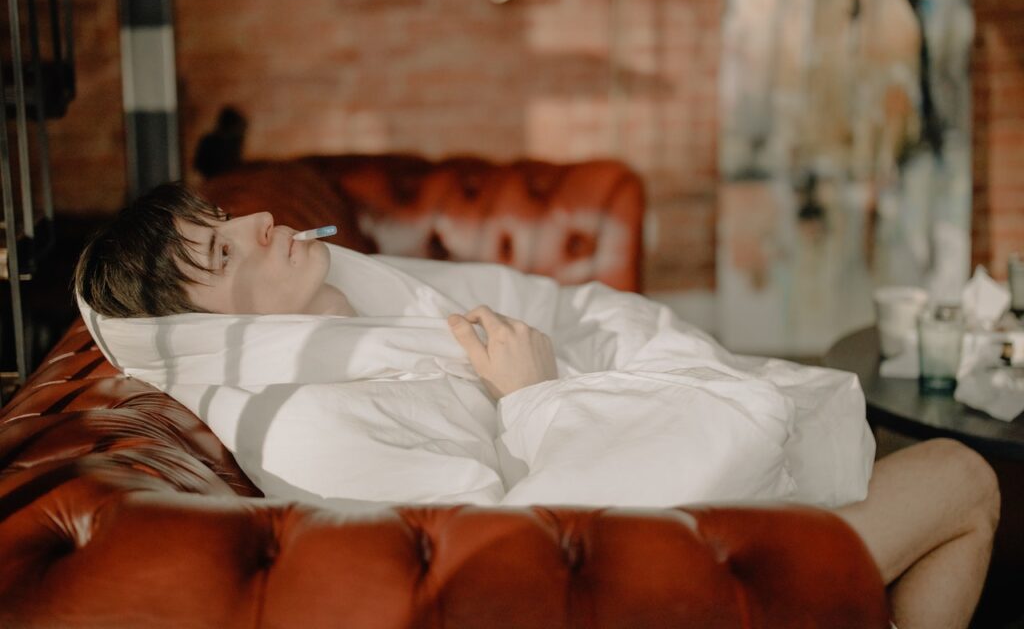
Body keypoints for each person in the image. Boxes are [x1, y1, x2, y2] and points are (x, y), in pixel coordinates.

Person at [75, 182, 999, 629]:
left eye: (219, 222)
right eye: (222, 257)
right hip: (643, 587)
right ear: (206, 335)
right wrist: (536, 396)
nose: (253, 224)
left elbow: (558, 321)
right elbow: (517, 574)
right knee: (962, 477)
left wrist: (579, 372)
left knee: (866, 440)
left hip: (657, 523)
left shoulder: (382, 328)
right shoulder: (311, 425)